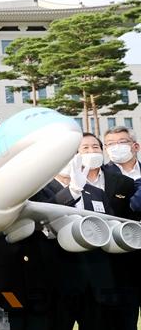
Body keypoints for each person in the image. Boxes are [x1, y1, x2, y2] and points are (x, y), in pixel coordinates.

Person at [51, 133, 139, 330]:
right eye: (85, 148)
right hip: (66, 274)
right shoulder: (63, 187)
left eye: (95, 147)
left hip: (105, 275)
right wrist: (74, 189)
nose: (91, 152)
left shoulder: (106, 189)